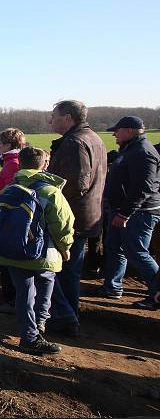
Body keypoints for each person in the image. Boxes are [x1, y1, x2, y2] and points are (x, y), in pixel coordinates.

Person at [0, 147, 74, 355]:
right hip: (43, 253)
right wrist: (65, 248)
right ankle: (37, 327)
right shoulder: (51, 192)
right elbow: (63, 224)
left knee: (24, 292)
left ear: (19, 164)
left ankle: (29, 333)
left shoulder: (9, 189)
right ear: (45, 164)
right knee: (46, 285)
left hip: (13, 251)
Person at [45, 100, 107, 336]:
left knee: (61, 268)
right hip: (88, 213)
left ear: (68, 117)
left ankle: (65, 316)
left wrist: (47, 192)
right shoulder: (94, 138)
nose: (51, 120)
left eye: (54, 115)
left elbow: (76, 184)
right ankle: (70, 313)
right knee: (71, 269)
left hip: (72, 216)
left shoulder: (74, 143)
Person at [97, 116, 160, 309]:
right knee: (115, 247)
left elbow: (143, 188)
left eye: (118, 130)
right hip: (123, 209)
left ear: (130, 131)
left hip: (139, 212)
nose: (114, 133)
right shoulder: (130, 150)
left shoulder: (143, 152)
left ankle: (157, 293)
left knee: (137, 251)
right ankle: (113, 287)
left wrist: (125, 214)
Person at [0, 127, 27, 314]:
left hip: (8, 217)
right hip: (10, 215)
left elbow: (11, 192)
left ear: (6, 144)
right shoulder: (13, 162)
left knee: (7, 261)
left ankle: (11, 300)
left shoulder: (12, 164)